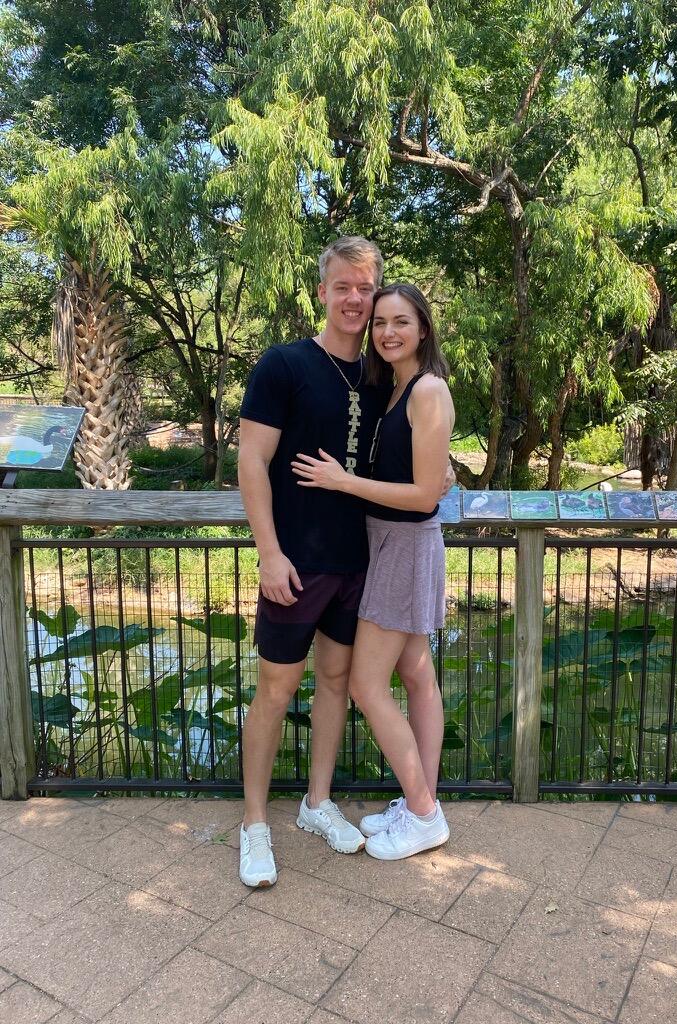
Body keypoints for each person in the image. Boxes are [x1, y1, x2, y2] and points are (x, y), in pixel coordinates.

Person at [238, 241, 452, 886]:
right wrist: (269, 554)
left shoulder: (386, 374)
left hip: (361, 564)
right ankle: (253, 825)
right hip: (294, 563)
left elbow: (412, 455)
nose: (357, 299)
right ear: (323, 290)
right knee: (275, 690)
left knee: (337, 683)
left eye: (366, 286)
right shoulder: (284, 365)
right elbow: (252, 462)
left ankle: (316, 804)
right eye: (343, 286)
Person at [292, 283, 455, 860]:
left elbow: (423, 494)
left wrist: (343, 482)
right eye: (380, 322)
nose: (387, 332)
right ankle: (421, 802)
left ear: (423, 329)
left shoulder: (428, 389)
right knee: (415, 673)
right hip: (387, 542)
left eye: (400, 322)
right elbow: (432, 473)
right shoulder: (390, 390)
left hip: (404, 544)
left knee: (365, 684)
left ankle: (424, 812)